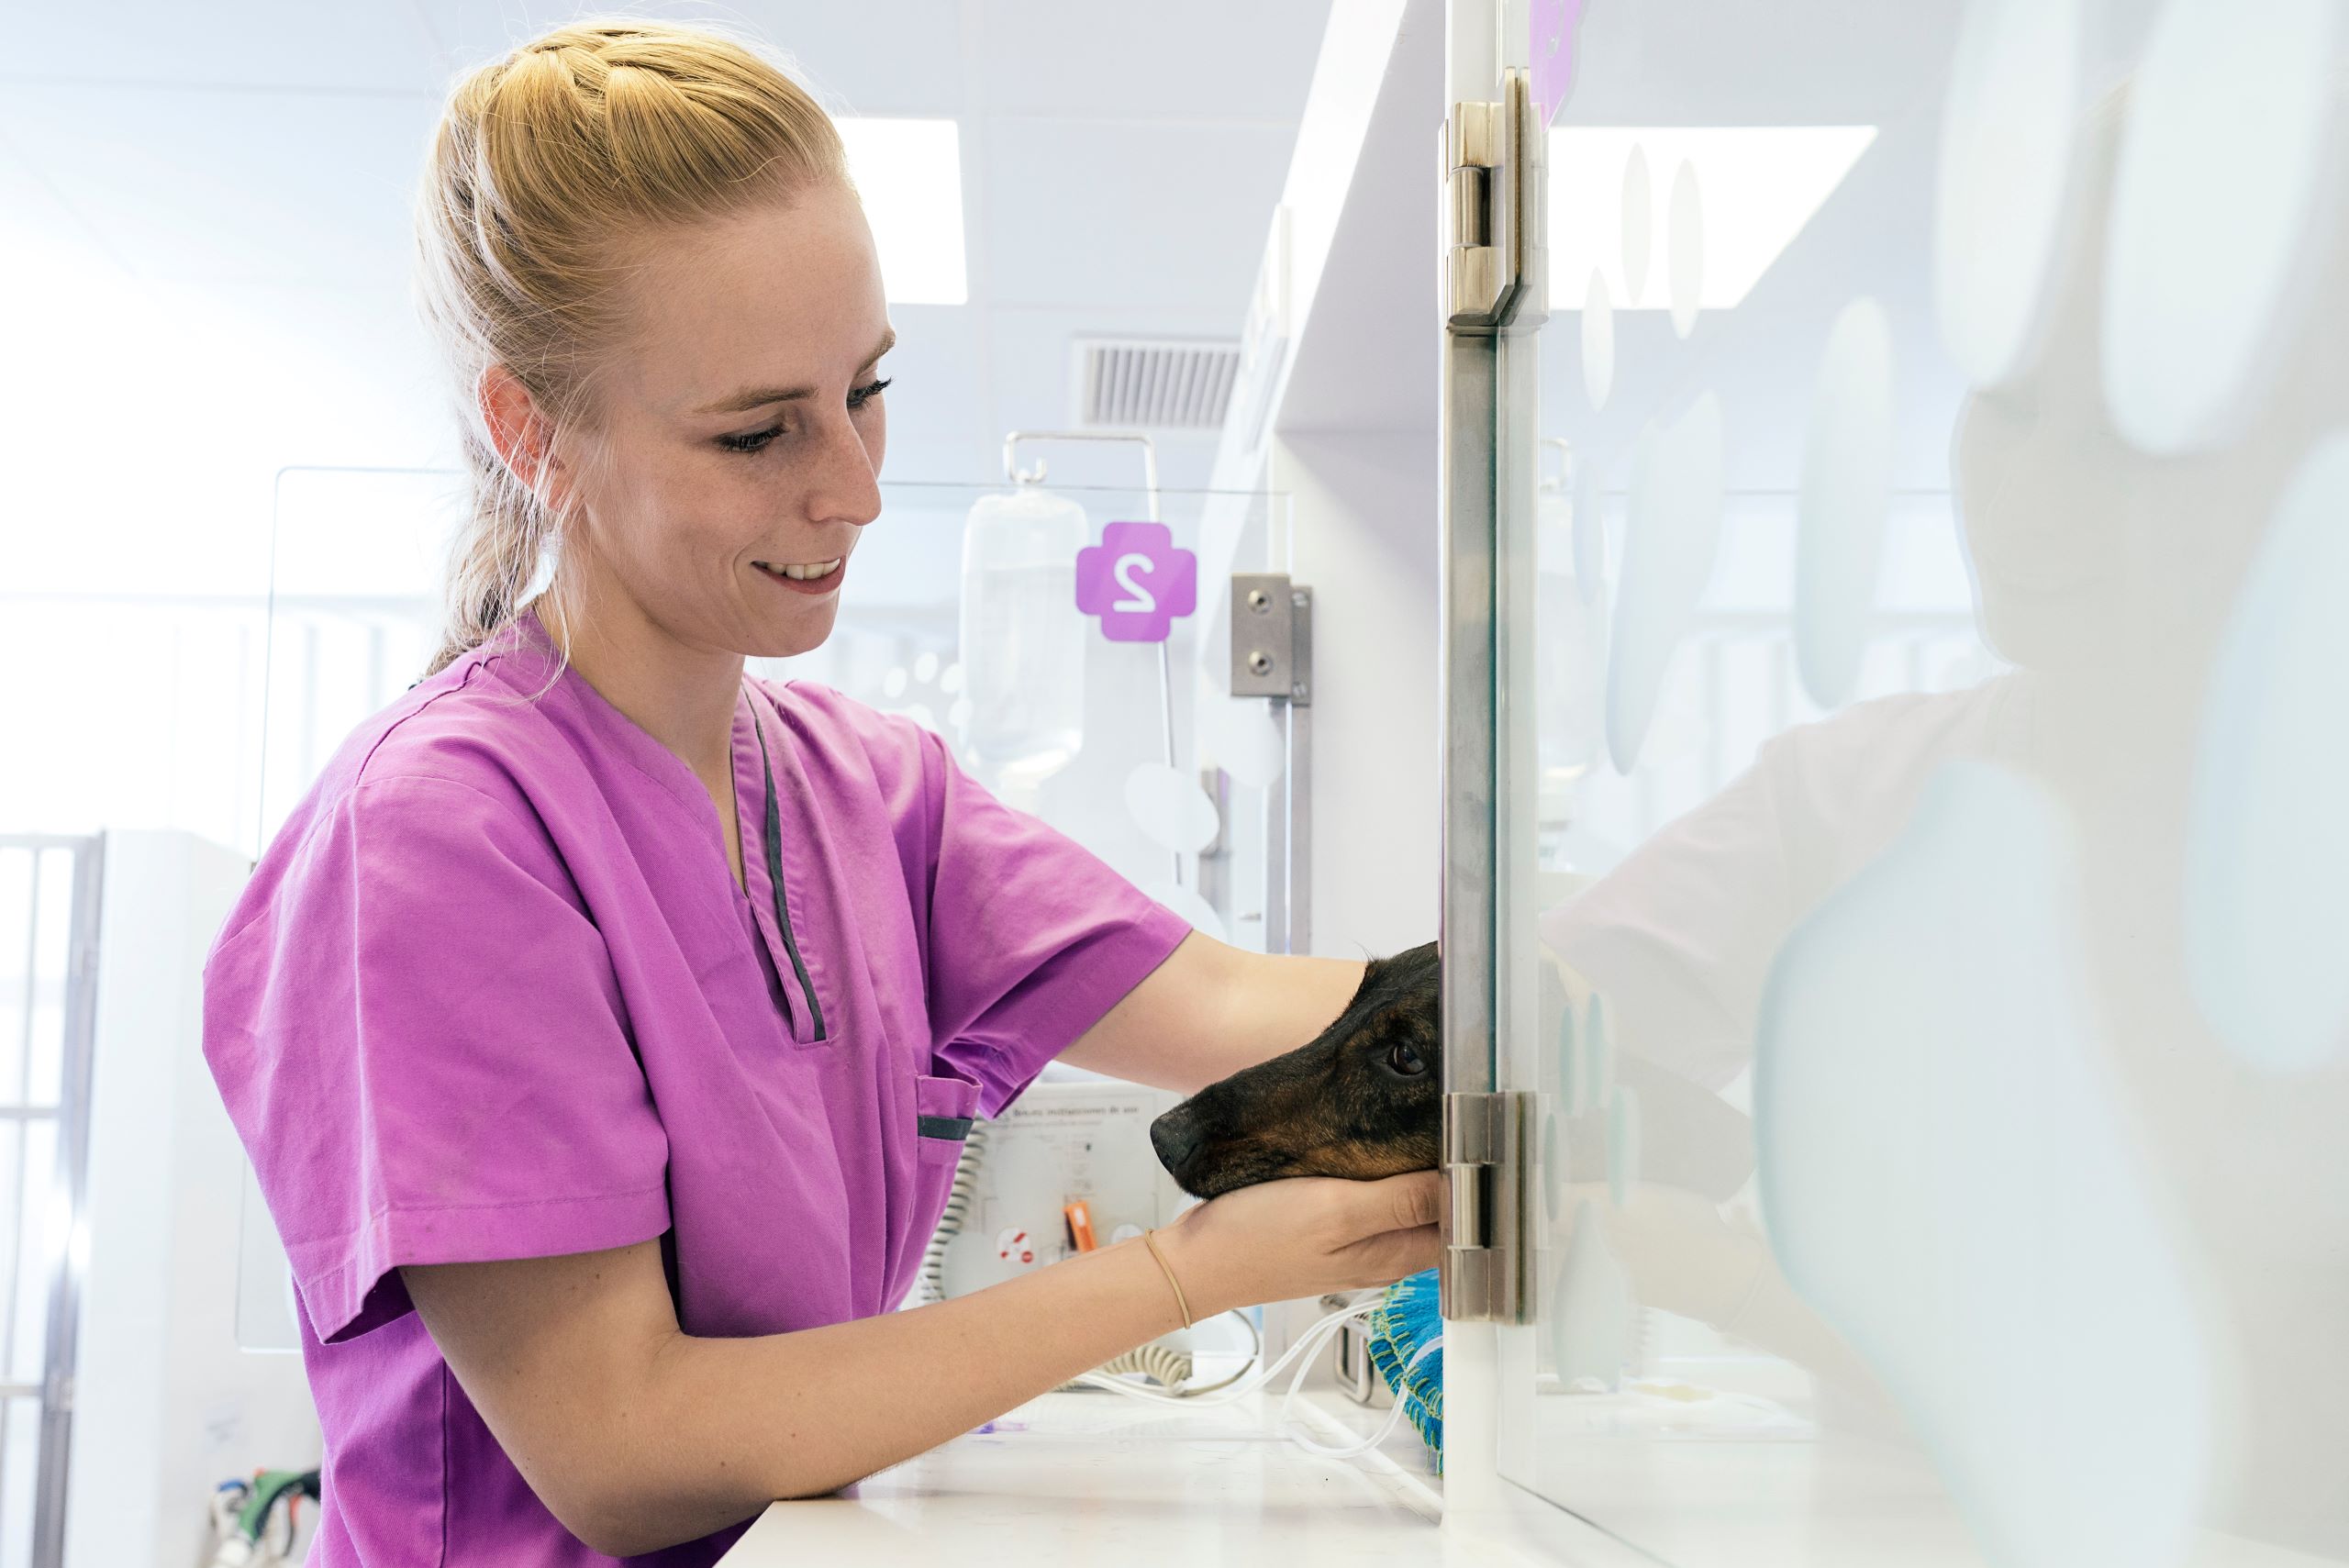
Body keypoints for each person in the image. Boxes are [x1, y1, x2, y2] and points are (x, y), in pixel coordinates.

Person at [200, 20, 1439, 1566]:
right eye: (759, 430)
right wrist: (1191, 1273)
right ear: (535, 433)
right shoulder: (437, 839)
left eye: (867, 388)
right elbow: (624, 1444)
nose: (853, 485)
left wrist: (1565, 1010)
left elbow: (1265, 1008)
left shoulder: (869, 794)